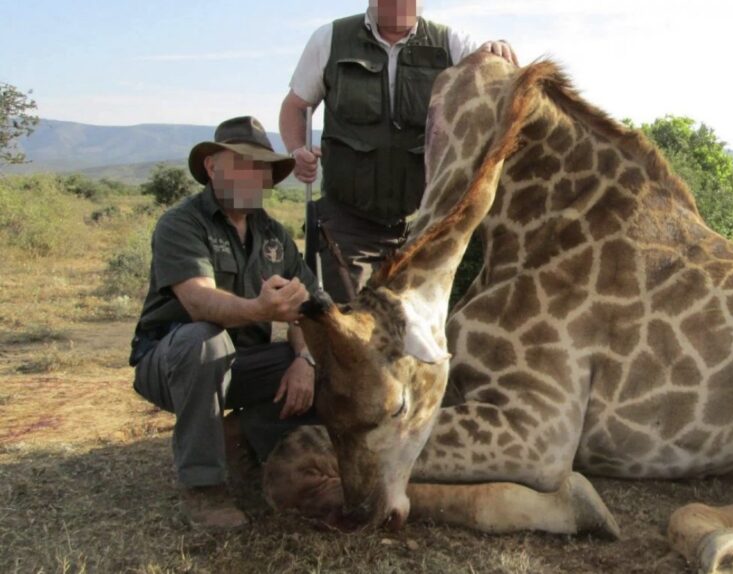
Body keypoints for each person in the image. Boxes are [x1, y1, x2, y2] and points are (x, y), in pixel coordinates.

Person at [129, 116, 319, 530]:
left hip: (243, 363)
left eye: (260, 167)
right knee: (206, 341)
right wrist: (261, 310)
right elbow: (198, 302)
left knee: (334, 364)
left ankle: (243, 437)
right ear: (212, 167)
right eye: (242, 164)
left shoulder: (273, 235)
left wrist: (305, 358)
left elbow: (305, 304)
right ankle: (203, 487)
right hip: (172, 361)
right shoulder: (182, 223)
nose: (254, 176)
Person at [279, 0, 518, 303]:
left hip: (423, 226)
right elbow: (297, 107)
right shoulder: (330, 39)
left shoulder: (451, 42)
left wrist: (497, 48)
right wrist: (296, 150)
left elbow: (493, 72)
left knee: (412, 330)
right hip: (349, 222)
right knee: (353, 324)